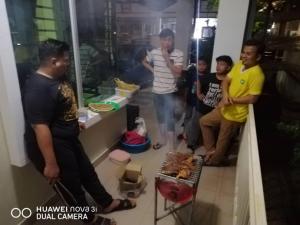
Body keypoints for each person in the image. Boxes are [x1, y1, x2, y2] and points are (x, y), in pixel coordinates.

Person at [23, 39, 135, 225]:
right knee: (71, 186)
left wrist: (73, 122)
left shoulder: (57, 77)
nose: (68, 62)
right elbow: (40, 127)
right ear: (53, 61)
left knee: (88, 173)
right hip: (54, 146)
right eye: (65, 59)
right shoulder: (37, 88)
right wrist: (50, 164)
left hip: (68, 139)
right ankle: (88, 220)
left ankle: (107, 203)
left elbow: (62, 106)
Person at [200, 40, 265, 166]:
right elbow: (225, 81)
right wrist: (225, 96)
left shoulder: (258, 75)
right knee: (204, 121)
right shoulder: (240, 64)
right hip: (224, 108)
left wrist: (232, 100)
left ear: (258, 57)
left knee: (222, 141)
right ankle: (211, 151)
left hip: (235, 115)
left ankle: (214, 161)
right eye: (243, 52)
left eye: (248, 54)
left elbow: (253, 98)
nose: (244, 56)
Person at [143, 28, 183, 150]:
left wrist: (167, 59)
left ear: (173, 40)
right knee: (160, 117)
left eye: (170, 40)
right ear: (160, 40)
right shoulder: (154, 52)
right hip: (156, 91)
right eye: (164, 40)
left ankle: (171, 147)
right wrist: (152, 70)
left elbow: (178, 73)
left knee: (169, 118)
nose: (167, 43)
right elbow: (144, 61)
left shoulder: (178, 53)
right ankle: (162, 140)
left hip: (169, 92)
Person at [183, 57, 208, 151]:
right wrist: (184, 99)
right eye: (199, 64)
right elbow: (187, 88)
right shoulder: (192, 75)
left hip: (198, 103)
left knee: (195, 120)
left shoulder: (207, 77)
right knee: (187, 117)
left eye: (203, 64)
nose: (201, 66)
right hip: (190, 100)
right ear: (196, 64)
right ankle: (185, 133)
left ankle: (191, 136)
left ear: (207, 66)